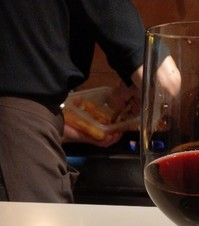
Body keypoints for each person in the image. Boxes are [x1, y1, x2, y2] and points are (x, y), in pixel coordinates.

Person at [0, 1, 180, 203]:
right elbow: (167, 81)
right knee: (38, 223)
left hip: (19, 129)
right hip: (18, 139)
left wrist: (66, 130)